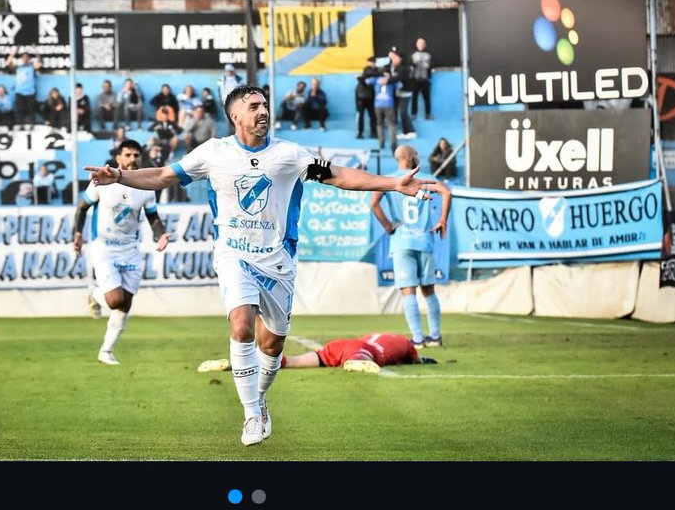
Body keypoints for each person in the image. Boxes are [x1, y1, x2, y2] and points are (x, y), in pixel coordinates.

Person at [83, 84, 437, 445]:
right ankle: (251, 414)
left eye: (264, 105)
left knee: (272, 345)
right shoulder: (214, 153)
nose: (262, 111)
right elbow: (163, 176)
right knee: (241, 326)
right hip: (233, 253)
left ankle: (261, 399)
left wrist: (394, 183)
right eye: (253, 106)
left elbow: (338, 176)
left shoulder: (288, 155)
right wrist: (120, 176)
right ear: (235, 116)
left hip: (278, 260)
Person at [72, 138, 170, 366]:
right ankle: (93, 294)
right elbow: (82, 207)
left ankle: (106, 351)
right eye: (127, 155)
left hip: (130, 249)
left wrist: (161, 234)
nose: (132, 159)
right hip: (104, 247)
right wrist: (77, 233)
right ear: (118, 158)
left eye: (136, 155)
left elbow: (152, 216)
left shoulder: (146, 186)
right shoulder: (102, 181)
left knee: (125, 304)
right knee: (115, 299)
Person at [372, 144, 451, 350]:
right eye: (416, 154)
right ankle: (435, 336)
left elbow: (374, 203)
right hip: (424, 240)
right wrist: (443, 220)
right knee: (429, 291)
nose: (417, 157)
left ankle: (418, 338)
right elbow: (446, 192)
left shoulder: (390, 180)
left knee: (409, 291)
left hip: (401, 242)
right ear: (410, 157)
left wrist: (388, 226)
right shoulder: (422, 179)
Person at [199, 330, 436, 374]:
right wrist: (424, 360)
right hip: (359, 349)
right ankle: (354, 363)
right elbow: (417, 359)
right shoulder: (406, 346)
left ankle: (237, 363)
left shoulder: (378, 336)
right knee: (361, 358)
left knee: (286, 362)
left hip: (337, 346)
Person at [4, 50, 43, 124]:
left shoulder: (32, 67)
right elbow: (8, 63)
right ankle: (20, 125)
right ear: (21, 59)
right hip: (19, 92)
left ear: (29, 59)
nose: (25, 59)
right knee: (19, 111)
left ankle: (31, 125)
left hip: (31, 92)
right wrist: (15, 51)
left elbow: (40, 63)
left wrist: (35, 50)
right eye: (23, 57)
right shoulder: (18, 67)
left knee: (31, 111)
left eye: (27, 57)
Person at [409, 36, 434, 121]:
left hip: (425, 78)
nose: (421, 45)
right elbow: (410, 67)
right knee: (414, 97)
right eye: (419, 43)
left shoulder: (429, 55)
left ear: (425, 45)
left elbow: (430, 67)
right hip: (415, 79)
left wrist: (429, 78)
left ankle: (428, 113)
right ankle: (413, 113)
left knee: (427, 97)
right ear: (416, 44)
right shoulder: (413, 55)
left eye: (422, 43)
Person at [355, 56, 379, 140]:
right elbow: (368, 74)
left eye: (372, 62)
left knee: (373, 116)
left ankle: (373, 132)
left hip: (370, 97)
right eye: (370, 62)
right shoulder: (366, 70)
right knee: (361, 116)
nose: (371, 64)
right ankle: (360, 132)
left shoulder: (375, 71)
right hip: (362, 97)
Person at [373, 72, 397, 152]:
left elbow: (367, 81)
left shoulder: (376, 79)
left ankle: (381, 143)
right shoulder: (391, 80)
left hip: (378, 104)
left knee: (379, 124)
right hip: (389, 104)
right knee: (392, 124)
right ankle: (393, 143)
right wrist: (391, 78)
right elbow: (400, 85)